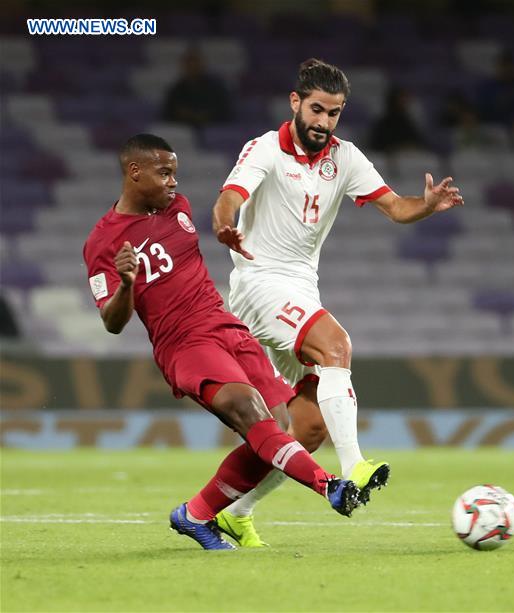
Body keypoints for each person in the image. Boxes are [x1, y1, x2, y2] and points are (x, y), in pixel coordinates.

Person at [211, 59, 463, 546]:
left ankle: (234, 514)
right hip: (259, 283)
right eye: (317, 110)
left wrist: (426, 205)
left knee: (307, 427)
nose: (324, 122)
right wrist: (225, 224)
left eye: (335, 113)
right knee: (337, 344)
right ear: (295, 102)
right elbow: (230, 196)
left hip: (302, 289)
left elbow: (395, 207)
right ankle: (356, 467)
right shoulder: (265, 148)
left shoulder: (344, 158)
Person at [83, 134, 362, 550]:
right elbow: (112, 322)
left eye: (175, 173)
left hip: (226, 327)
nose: (174, 183)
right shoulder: (102, 243)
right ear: (134, 172)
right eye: (164, 173)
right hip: (185, 345)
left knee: (280, 429)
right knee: (250, 413)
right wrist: (126, 284)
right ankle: (329, 487)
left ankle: (195, 514)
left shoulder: (179, 209)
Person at [162, 47, 232, 129]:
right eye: (189, 63)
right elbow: (167, 114)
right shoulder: (176, 89)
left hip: (213, 128)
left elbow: (225, 112)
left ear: (203, 64)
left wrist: (205, 115)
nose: (193, 67)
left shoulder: (216, 88)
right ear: (183, 66)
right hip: (183, 130)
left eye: (195, 63)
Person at [369, 86, 428, 153]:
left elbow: (418, 143)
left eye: (405, 99)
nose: (404, 102)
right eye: (402, 99)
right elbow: (378, 146)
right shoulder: (383, 124)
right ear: (393, 100)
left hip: (408, 158)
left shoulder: (408, 123)